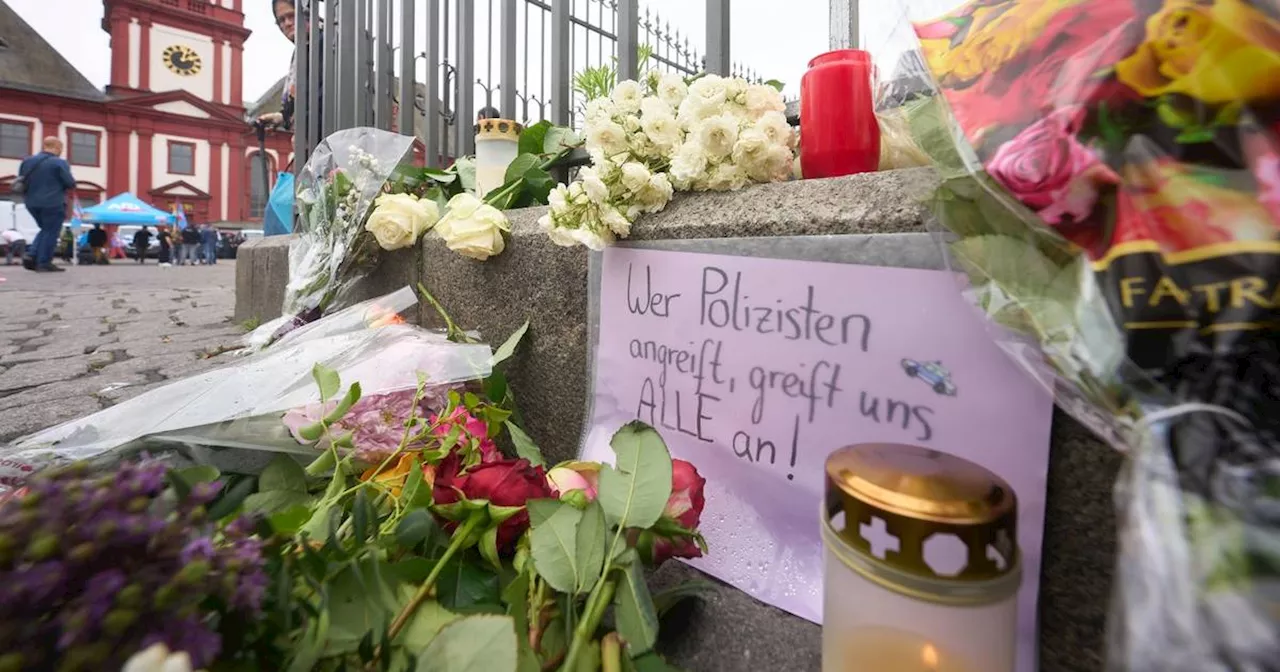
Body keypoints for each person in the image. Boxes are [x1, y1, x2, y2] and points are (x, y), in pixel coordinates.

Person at [257, 0, 323, 148]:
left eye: (291, 15)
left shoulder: (324, 44)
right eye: (281, 20)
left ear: (308, 14)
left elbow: (324, 95)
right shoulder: (302, 51)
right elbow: (303, 99)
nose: (286, 23)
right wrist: (282, 117)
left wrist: (304, 130)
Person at [18, 137, 75, 272]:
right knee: (51, 231)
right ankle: (44, 262)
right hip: (53, 202)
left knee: (45, 229)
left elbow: (22, 180)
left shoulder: (27, 162)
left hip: (31, 202)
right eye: (61, 148)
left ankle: (31, 255)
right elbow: (69, 183)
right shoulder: (59, 163)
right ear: (57, 147)